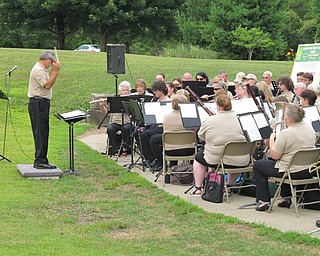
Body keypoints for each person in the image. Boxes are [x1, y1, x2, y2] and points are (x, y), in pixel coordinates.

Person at [253, 104, 316, 211]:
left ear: (290, 119)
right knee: (286, 161)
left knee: (258, 165)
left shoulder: (286, 133)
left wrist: (272, 139)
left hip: (291, 171)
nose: (283, 119)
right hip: (308, 170)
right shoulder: (310, 129)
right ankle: (285, 198)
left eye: (284, 116)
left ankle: (264, 201)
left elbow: (274, 155)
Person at [191, 94, 250, 196]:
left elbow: (201, 136)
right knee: (236, 154)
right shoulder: (242, 119)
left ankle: (198, 188)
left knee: (198, 158)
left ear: (218, 106)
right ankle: (228, 186)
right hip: (242, 159)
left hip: (219, 159)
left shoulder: (211, 120)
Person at [28, 50, 61, 169]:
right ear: (47, 59)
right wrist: (56, 71)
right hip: (38, 103)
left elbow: (49, 82)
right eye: (51, 62)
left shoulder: (42, 69)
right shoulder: (38, 70)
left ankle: (42, 159)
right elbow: (47, 85)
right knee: (40, 131)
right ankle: (40, 160)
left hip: (42, 103)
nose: (52, 64)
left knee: (43, 131)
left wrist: (54, 70)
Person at [99, 81, 132, 157]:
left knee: (126, 128)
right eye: (123, 90)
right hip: (116, 122)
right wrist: (102, 106)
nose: (125, 92)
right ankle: (116, 149)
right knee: (110, 128)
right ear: (120, 91)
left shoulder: (131, 100)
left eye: (127, 90)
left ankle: (125, 149)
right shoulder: (114, 99)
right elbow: (107, 111)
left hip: (127, 121)